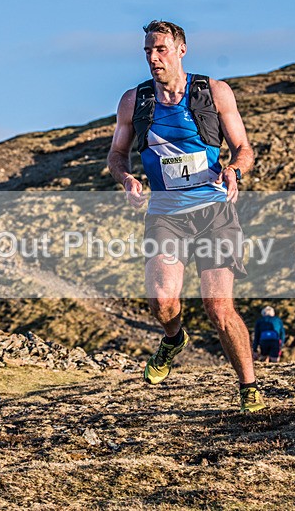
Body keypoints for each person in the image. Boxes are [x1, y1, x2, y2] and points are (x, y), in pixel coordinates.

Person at [107, 20, 264, 413]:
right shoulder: (134, 100)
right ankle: (174, 338)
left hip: (213, 209)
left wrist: (234, 170)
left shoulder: (213, 91)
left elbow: (243, 146)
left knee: (218, 306)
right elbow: (116, 154)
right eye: (147, 51)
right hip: (165, 212)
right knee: (161, 301)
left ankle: (248, 387)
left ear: (181, 50)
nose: (153, 58)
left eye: (160, 49)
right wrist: (125, 178)